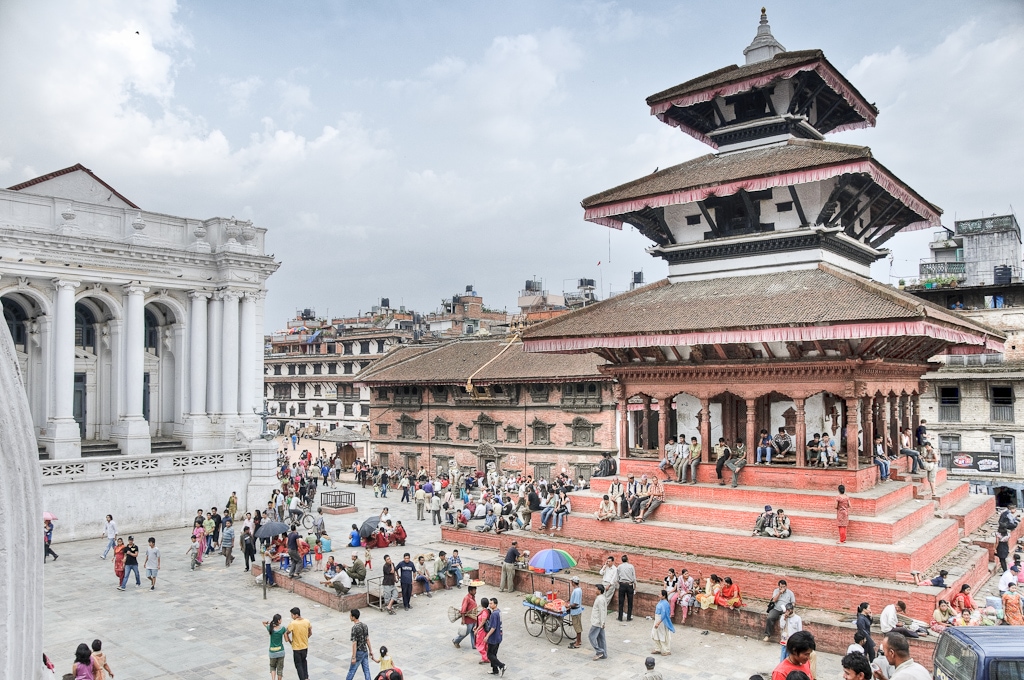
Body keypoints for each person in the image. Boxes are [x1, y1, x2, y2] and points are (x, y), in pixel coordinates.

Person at [345, 609, 375, 680]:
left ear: (353, 617)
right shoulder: (364, 625)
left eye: (350, 615)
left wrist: (353, 657)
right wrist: (370, 650)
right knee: (366, 670)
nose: (350, 617)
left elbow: (354, 643)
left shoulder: (354, 628)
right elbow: (367, 639)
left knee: (352, 670)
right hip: (365, 651)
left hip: (358, 652)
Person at [285, 607, 312, 680]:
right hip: (305, 646)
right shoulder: (307, 621)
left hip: (296, 648)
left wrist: (290, 642)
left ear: (296, 615)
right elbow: (310, 632)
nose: (292, 616)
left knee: (298, 665)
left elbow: (287, 633)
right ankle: (306, 677)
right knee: (304, 661)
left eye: (292, 615)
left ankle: (302, 678)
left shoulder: (293, 623)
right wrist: (305, 638)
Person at [484, 597, 506, 676]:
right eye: (489, 603)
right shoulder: (499, 612)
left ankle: (501, 665)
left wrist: (487, 636)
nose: (490, 605)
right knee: (494, 654)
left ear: (495, 604)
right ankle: (495, 669)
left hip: (494, 638)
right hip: (499, 636)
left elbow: (493, 627)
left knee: (489, 655)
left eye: (491, 603)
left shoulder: (494, 614)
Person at [650, 589, 675, 656]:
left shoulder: (665, 604)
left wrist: (658, 622)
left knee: (662, 635)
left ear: (664, 596)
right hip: (657, 619)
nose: (659, 595)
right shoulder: (661, 602)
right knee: (655, 634)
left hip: (662, 621)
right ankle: (658, 648)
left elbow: (664, 614)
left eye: (660, 594)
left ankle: (667, 650)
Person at [589, 583, 609, 660]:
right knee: (601, 638)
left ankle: (600, 651)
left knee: (591, 637)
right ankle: (604, 654)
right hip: (600, 622)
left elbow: (602, 611)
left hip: (597, 622)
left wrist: (602, 622)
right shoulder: (601, 598)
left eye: (596, 589)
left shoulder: (600, 599)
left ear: (599, 591)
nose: (595, 590)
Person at [263, 614, 287, 680]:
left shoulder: (270, 628)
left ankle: (273, 679)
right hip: (281, 651)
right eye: (281, 619)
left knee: (272, 666)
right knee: (280, 669)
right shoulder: (283, 629)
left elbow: (263, 622)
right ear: (279, 621)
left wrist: (270, 623)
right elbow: (286, 640)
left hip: (272, 652)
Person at [617, 554, 636, 622]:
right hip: (629, 584)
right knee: (630, 602)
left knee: (621, 602)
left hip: (622, 584)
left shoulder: (619, 567)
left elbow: (617, 577)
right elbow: (634, 577)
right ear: (627, 560)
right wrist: (635, 586)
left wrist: (620, 583)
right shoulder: (631, 566)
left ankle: (620, 617)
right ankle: (628, 617)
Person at [567, 576, 584, 649]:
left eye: (572, 582)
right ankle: (579, 640)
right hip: (577, 610)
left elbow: (576, 603)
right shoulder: (578, 589)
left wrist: (569, 606)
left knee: (577, 627)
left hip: (576, 611)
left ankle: (577, 643)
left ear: (573, 582)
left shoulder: (576, 591)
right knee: (578, 626)